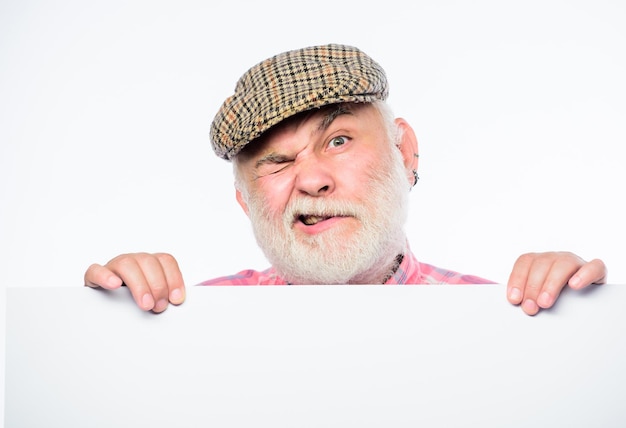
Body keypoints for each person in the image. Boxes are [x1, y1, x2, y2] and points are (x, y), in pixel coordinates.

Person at [84, 44, 607, 316]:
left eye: (338, 140)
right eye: (276, 160)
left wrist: (581, 326)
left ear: (406, 152)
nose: (311, 178)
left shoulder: (502, 318)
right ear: (245, 200)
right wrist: (113, 327)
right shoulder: (190, 322)